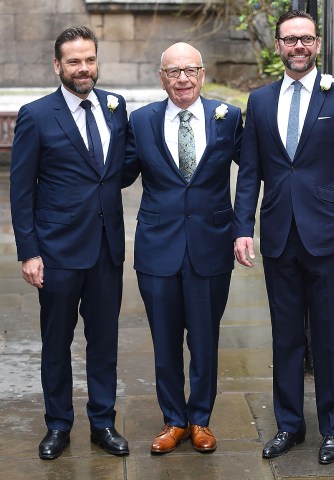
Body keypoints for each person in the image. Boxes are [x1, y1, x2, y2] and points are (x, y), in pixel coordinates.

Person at [234, 10, 334, 465]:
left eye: (306, 40)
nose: (298, 47)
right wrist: (242, 229)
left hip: (330, 237)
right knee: (286, 336)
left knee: (330, 337)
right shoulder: (259, 101)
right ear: (278, 45)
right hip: (278, 236)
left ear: (316, 45)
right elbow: (251, 171)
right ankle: (289, 424)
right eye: (290, 40)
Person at [10, 26, 130, 460]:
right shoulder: (37, 115)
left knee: (104, 342)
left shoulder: (116, 109)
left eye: (90, 60)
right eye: (74, 61)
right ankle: (58, 424)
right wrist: (29, 251)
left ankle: (103, 422)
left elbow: (122, 168)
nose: (84, 69)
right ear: (57, 65)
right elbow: (21, 190)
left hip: (106, 248)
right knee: (56, 342)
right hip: (57, 251)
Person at [124, 42, 243, 454]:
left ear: (203, 74)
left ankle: (200, 420)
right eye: (173, 72)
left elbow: (253, 171)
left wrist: (241, 226)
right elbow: (114, 173)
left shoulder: (227, 118)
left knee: (206, 339)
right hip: (158, 247)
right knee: (165, 340)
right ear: (162, 78)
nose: (182, 79)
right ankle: (173, 420)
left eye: (190, 70)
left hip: (210, 245)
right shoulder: (140, 121)